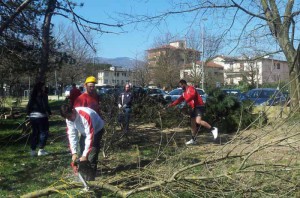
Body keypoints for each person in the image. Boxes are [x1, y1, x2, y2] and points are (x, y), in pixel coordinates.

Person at [60, 104, 104, 181]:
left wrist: (85, 155)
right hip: (84, 132)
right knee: (80, 153)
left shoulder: (86, 115)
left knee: (91, 154)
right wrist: (74, 152)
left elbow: (90, 136)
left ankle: (90, 181)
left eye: (69, 117)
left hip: (96, 130)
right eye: (67, 118)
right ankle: (82, 176)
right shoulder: (69, 119)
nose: (69, 119)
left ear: (73, 110)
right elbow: (72, 135)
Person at [168, 79, 218, 145]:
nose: (180, 87)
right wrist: (171, 105)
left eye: (181, 86)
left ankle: (213, 129)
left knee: (198, 121)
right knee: (193, 124)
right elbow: (179, 100)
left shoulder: (191, 88)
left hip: (199, 106)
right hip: (193, 108)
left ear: (183, 84)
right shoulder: (184, 93)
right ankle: (193, 139)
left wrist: (186, 101)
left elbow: (192, 95)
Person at [26, 81, 52, 156]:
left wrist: (28, 113)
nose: (45, 88)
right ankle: (41, 150)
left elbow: (29, 105)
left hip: (32, 116)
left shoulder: (33, 95)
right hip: (41, 116)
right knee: (43, 132)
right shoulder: (43, 95)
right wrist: (48, 112)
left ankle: (33, 150)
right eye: (44, 87)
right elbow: (45, 105)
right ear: (41, 88)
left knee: (35, 133)